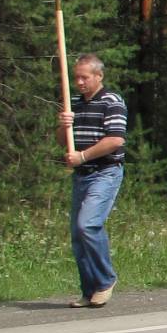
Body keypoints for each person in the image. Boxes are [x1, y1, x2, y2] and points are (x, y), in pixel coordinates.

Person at [57, 53, 126, 308]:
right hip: (82, 175)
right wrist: (63, 125)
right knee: (77, 234)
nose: (80, 82)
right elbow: (63, 142)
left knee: (88, 225)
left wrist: (83, 156)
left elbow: (116, 140)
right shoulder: (73, 102)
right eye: (76, 77)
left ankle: (106, 279)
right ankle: (90, 290)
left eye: (85, 77)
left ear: (99, 76)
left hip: (105, 172)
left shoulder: (112, 101)